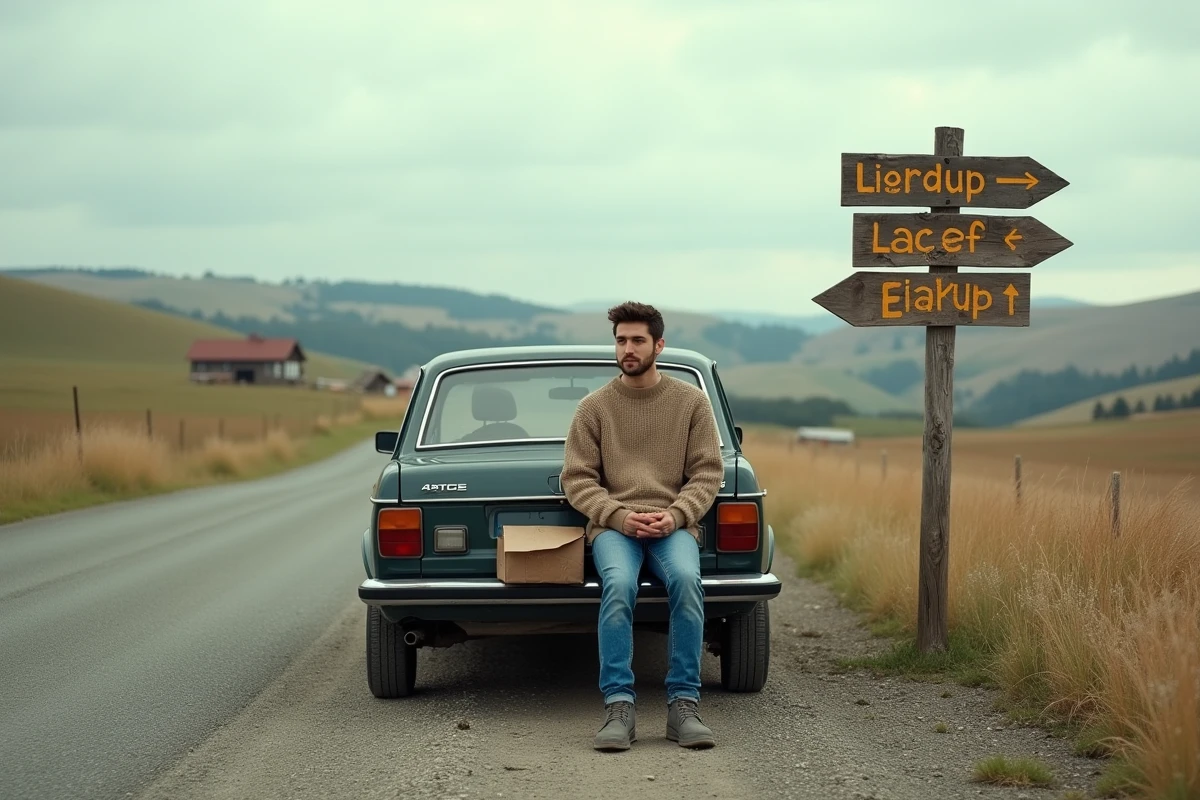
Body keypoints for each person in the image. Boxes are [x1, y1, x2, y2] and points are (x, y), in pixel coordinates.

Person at [561, 301, 724, 752]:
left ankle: (684, 706)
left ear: (658, 345)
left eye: (637, 340)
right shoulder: (593, 408)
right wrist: (618, 516)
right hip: (615, 528)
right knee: (617, 585)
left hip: (674, 525)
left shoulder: (691, 403)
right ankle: (618, 706)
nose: (627, 349)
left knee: (688, 582)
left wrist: (675, 515)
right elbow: (577, 479)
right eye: (621, 340)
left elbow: (708, 472)